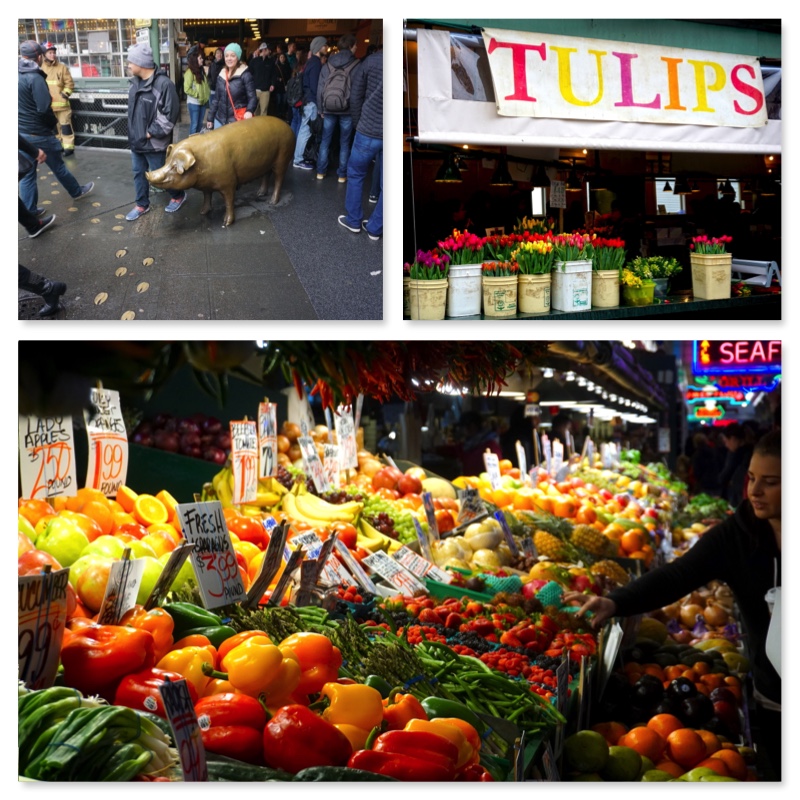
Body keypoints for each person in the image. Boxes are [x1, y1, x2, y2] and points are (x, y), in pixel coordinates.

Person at [564, 431, 781, 780]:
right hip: (773, 695)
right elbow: (678, 575)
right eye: (752, 478)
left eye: (770, 482)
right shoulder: (739, 535)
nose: (754, 491)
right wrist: (615, 601)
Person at [19, 40, 94, 216]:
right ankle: (76, 191)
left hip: (22, 133)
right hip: (39, 133)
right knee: (58, 166)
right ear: (38, 56)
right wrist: (52, 126)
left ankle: (30, 211)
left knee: (28, 173)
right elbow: (44, 108)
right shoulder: (35, 77)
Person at [124, 42, 184, 221]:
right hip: (137, 141)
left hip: (153, 143)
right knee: (138, 174)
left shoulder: (164, 84)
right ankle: (142, 204)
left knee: (161, 176)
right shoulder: (134, 84)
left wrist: (149, 133)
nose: (128, 65)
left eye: (131, 62)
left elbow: (170, 116)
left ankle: (178, 195)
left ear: (141, 63)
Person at [337, 48, 382, 239]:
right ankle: (376, 227)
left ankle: (354, 220)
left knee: (355, 173)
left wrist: (358, 123)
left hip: (368, 128)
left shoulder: (371, 61)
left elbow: (355, 96)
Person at [315, 34, 359, 183]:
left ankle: (320, 172)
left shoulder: (328, 64)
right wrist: (356, 112)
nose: (357, 48)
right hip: (347, 110)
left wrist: (320, 108)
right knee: (345, 143)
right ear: (351, 46)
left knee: (325, 141)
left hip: (328, 108)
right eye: (355, 45)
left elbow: (320, 88)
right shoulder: (356, 65)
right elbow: (357, 91)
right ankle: (342, 175)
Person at [292, 36, 328, 171]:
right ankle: (298, 159)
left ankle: (299, 157)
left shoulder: (310, 62)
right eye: (324, 45)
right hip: (311, 102)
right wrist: (320, 107)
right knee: (306, 131)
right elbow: (315, 87)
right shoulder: (316, 63)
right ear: (319, 47)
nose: (326, 47)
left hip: (307, 101)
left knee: (304, 130)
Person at [206, 43, 256, 128]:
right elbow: (216, 99)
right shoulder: (221, 74)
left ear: (238, 57)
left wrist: (249, 111)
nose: (229, 58)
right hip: (220, 120)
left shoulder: (245, 75)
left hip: (236, 121)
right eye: (227, 56)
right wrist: (210, 118)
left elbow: (252, 97)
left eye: (232, 55)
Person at [40, 41, 75, 156]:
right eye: (50, 53)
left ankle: (68, 148)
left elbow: (69, 84)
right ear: (44, 54)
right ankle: (58, 146)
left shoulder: (62, 67)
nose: (53, 55)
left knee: (66, 127)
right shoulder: (40, 68)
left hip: (62, 105)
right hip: (49, 106)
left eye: (54, 52)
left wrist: (64, 95)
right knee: (54, 129)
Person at [456, 411, 503, 476]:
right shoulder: (468, 444)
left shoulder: (490, 445)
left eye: (462, 427)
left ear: (472, 426)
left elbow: (498, 467)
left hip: (484, 481)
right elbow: (454, 449)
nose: (462, 431)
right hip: (470, 481)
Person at [719, 422, 754, 507]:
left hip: (741, 500)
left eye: (726, 441)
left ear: (733, 439)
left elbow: (725, 476)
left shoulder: (738, 456)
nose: (726, 445)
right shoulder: (751, 452)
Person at [183, 49, 210, 135]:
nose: (202, 60)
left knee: (200, 124)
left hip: (203, 102)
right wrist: (197, 94)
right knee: (194, 124)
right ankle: (192, 142)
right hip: (194, 103)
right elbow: (186, 89)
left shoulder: (201, 71)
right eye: (200, 58)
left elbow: (205, 86)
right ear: (195, 60)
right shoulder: (189, 72)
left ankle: (197, 142)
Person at [248, 42, 275, 116]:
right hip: (255, 89)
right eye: (262, 50)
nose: (264, 51)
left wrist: (273, 84)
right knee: (255, 110)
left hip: (265, 90)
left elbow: (273, 74)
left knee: (264, 110)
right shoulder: (254, 61)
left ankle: (262, 123)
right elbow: (249, 74)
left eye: (266, 49)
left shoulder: (271, 62)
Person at [273, 51, 291, 117]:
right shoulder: (276, 67)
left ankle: (283, 113)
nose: (282, 59)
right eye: (281, 57)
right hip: (278, 87)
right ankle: (278, 113)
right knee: (279, 101)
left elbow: (289, 75)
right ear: (279, 58)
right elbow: (274, 76)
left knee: (284, 101)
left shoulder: (287, 66)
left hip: (285, 86)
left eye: (283, 57)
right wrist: (278, 79)